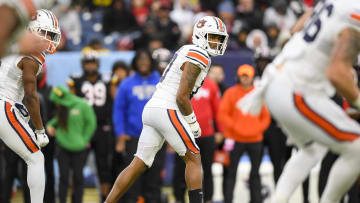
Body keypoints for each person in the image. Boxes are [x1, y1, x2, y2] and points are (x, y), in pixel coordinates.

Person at [105, 16, 229, 203]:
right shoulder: (199, 54)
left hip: (153, 108)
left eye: (220, 38)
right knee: (194, 157)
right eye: (213, 37)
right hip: (167, 108)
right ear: (200, 35)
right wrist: (192, 121)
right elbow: (181, 96)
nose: (217, 42)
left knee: (138, 163)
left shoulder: (187, 49)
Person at [257, 0, 360, 202]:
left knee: (314, 148)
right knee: (357, 148)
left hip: (276, 79)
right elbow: (337, 74)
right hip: (297, 90)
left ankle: (278, 199)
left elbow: (296, 30)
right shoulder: (355, 12)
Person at [0, 9, 60, 203]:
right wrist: (40, 129)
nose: (48, 39)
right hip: (3, 106)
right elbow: (31, 95)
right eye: (44, 33)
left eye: (51, 35)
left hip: (6, 103)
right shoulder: (31, 56)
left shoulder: (12, 44)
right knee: (35, 157)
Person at [112, 49, 165, 203]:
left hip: (157, 138)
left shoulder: (160, 83)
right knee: (133, 180)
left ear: (151, 62)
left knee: (154, 180)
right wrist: (120, 134)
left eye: (146, 59)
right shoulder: (126, 84)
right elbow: (118, 110)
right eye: (140, 59)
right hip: (134, 138)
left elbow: (168, 109)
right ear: (135, 62)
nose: (143, 62)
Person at [218, 64, 270, 203]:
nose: (245, 78)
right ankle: (228, 200)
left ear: (252, 77)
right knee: (231, 173)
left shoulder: (258, 93)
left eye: (247, 76)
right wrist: (235, 127)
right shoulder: (231, 93)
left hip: (255, 139)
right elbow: (223, 114)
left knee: (255, 173)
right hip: (235, 139)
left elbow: (266, 116)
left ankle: (256, 200)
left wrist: (257, 128)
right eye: (243, 75)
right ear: (238, 77)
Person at [67, 51, 113, 202]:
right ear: (83, 64)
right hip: (83, 130)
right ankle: (76, 198)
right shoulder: (76, 80)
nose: (90, 65)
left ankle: (106, 198)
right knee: (77, 166)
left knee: (103, 166)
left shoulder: (108, 79)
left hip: (102, 128)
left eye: (93, 62)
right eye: (88, 63)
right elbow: (71, 102)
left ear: (97, 64)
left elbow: (115, 99)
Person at [173, 77, 223, 203]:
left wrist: (220, 131)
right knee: (180, 169)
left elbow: (217, 110)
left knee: (207, 169)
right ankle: (179, 199)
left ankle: (208, 199)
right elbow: (173, 108)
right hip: (184, 134)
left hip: (207, 134)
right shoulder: (181, 83)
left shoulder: (211, 84)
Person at [46, 86, 97, 203]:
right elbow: (54, 122)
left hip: (79, 148)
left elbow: (91, 123)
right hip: (62, 148)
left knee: (78, 178)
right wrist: (49, 126)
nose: (56, 104)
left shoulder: (82, 105)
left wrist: (84, 140)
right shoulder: (62, 108)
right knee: (63, 178)